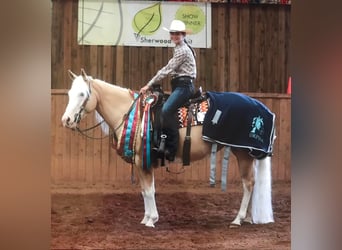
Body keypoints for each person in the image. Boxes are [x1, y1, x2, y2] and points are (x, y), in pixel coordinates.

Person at [140, 19, 197, 161]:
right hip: (180, 85)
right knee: (163, 108)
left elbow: (167, 69)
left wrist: (149, 84)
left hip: (184, 86)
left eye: (178, 34)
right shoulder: (181, 47)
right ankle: (161, 141)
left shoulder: (182, 50)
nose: (175, 36)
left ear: (183, 35)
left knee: (166, 110)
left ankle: (171, 148)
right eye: (173, 33)